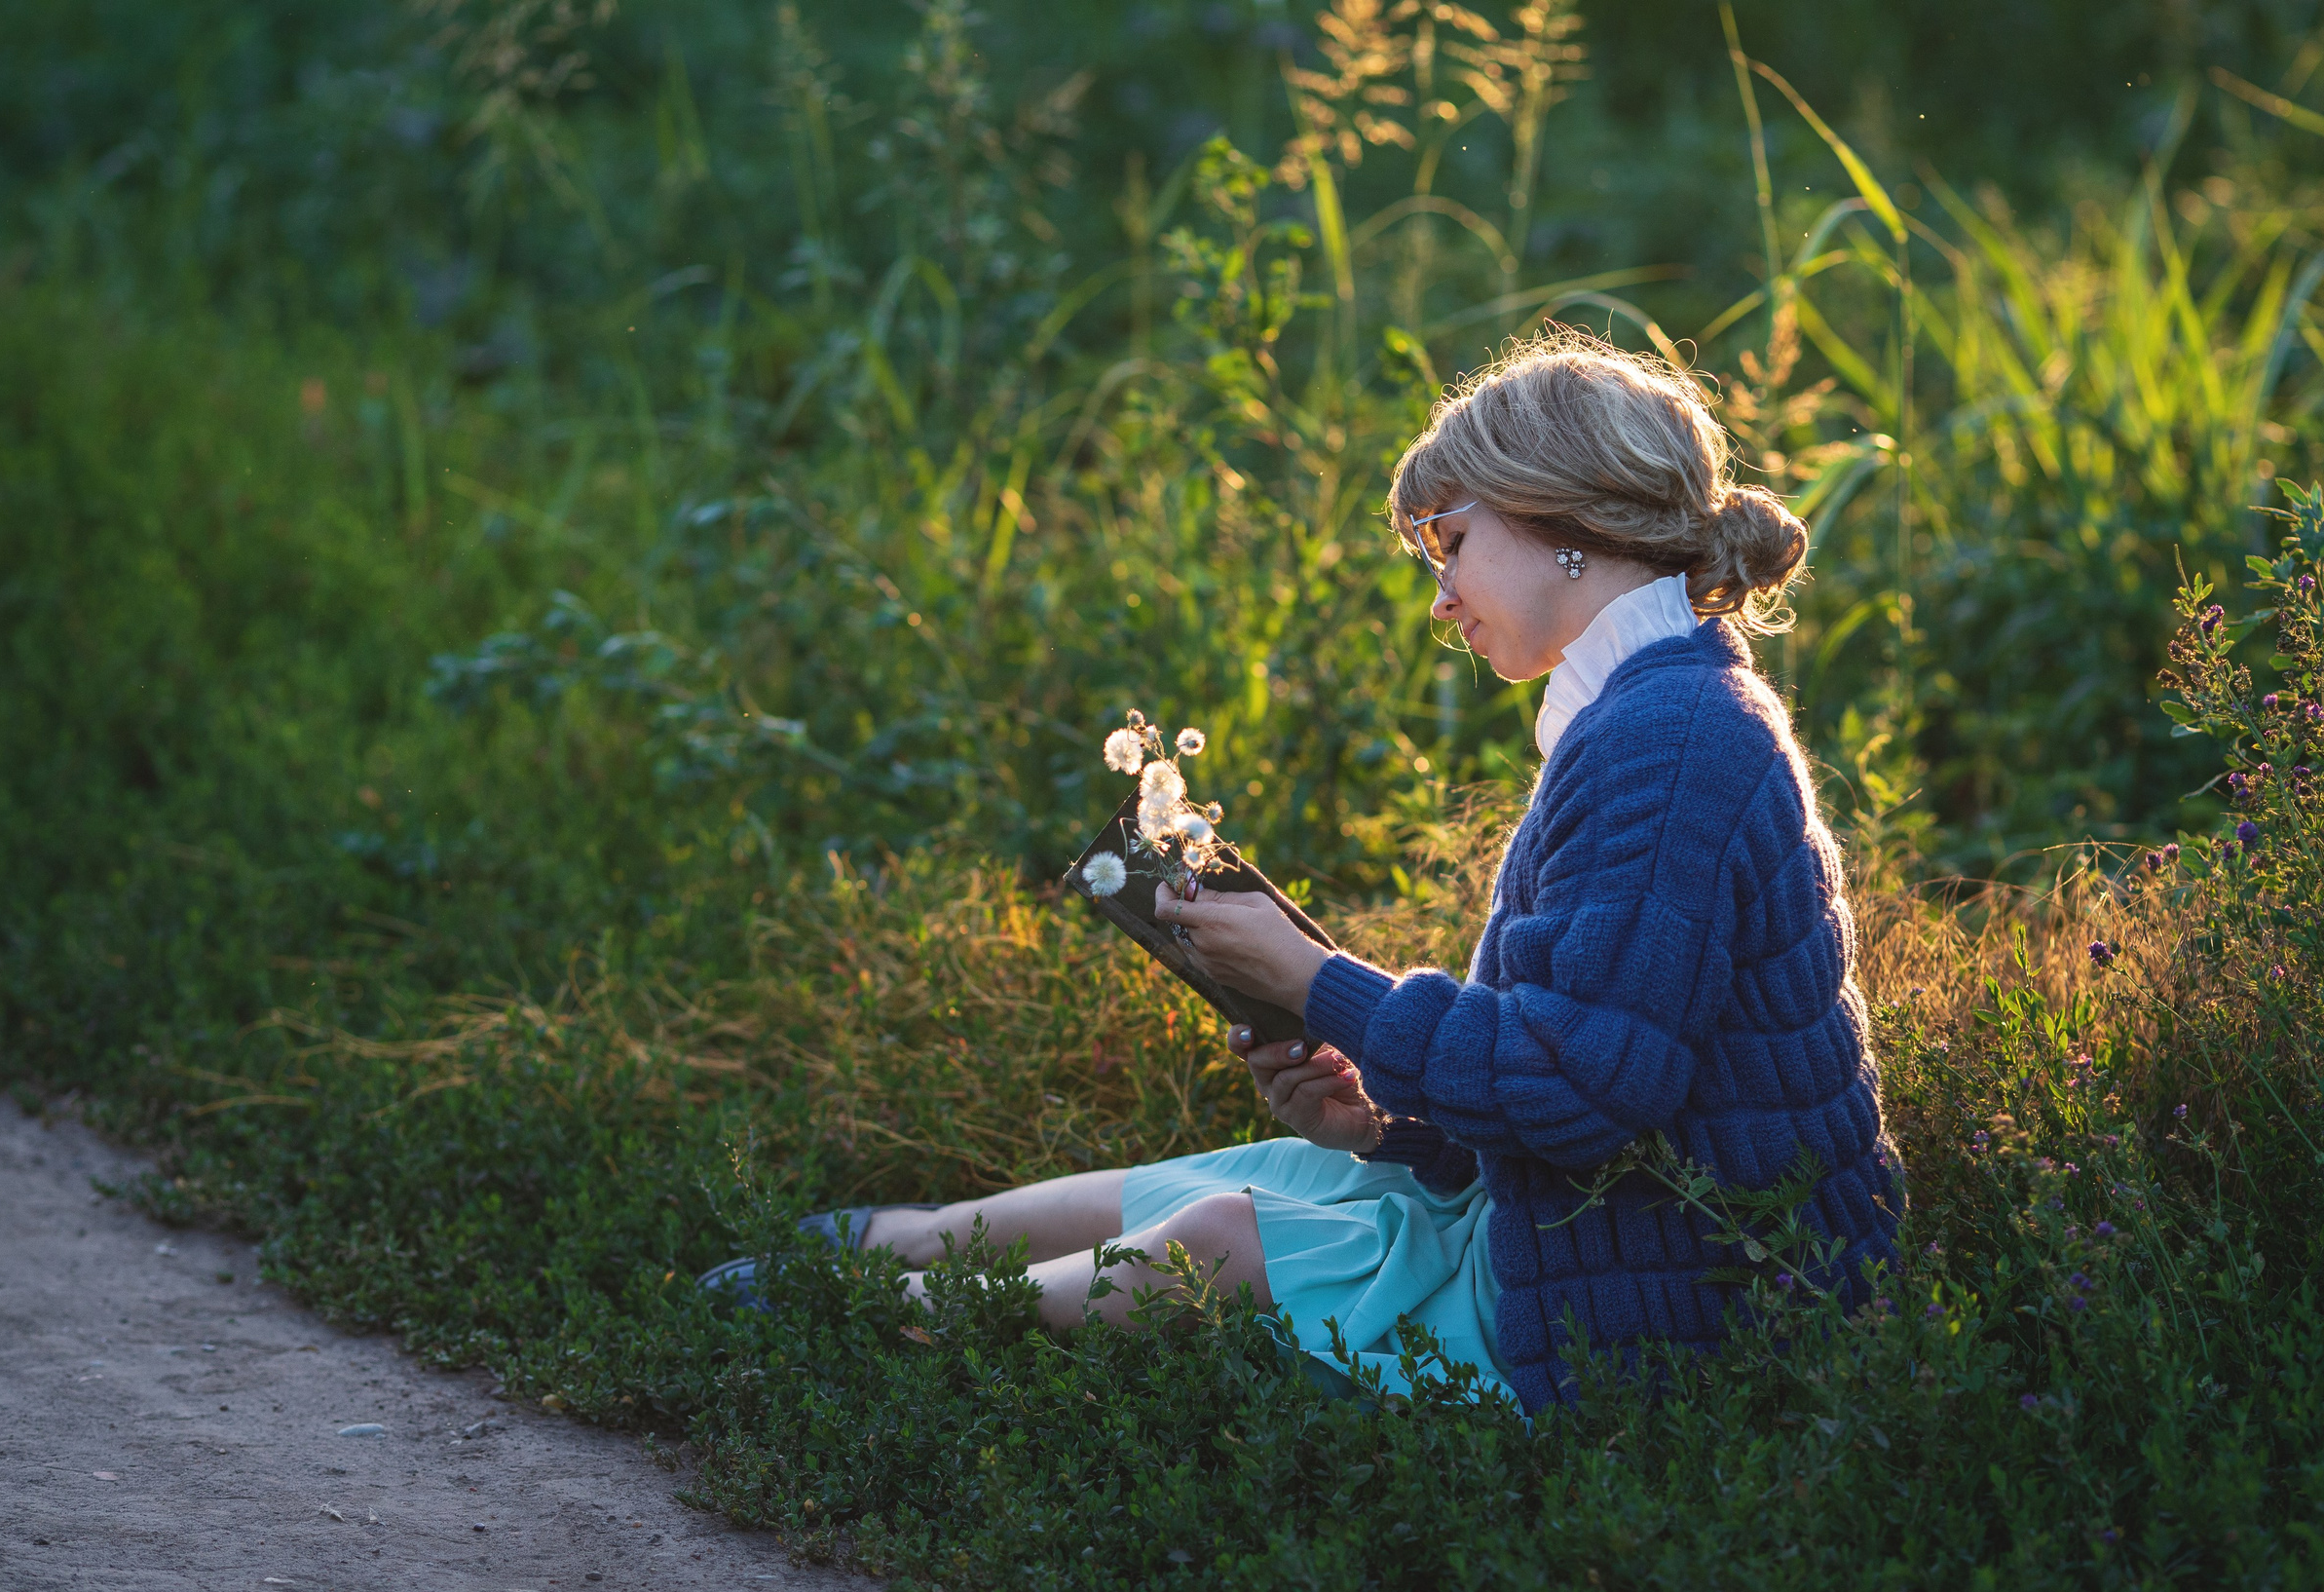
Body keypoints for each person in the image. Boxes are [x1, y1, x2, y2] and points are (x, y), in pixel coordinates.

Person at [740, 327, 1902, 1411]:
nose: (1440, 599)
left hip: (1672, 1317)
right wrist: (1376, 1126)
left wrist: (1314, 980)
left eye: (1450, 544)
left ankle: (858, 1316)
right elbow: (1600, 1075)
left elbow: (1584, 1090)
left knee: (1221, 1240)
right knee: (1257, 1169)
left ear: (1562, 520)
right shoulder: (1653, 705)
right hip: (1602, 1236)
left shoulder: (1671, 737)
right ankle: (899, 1239)